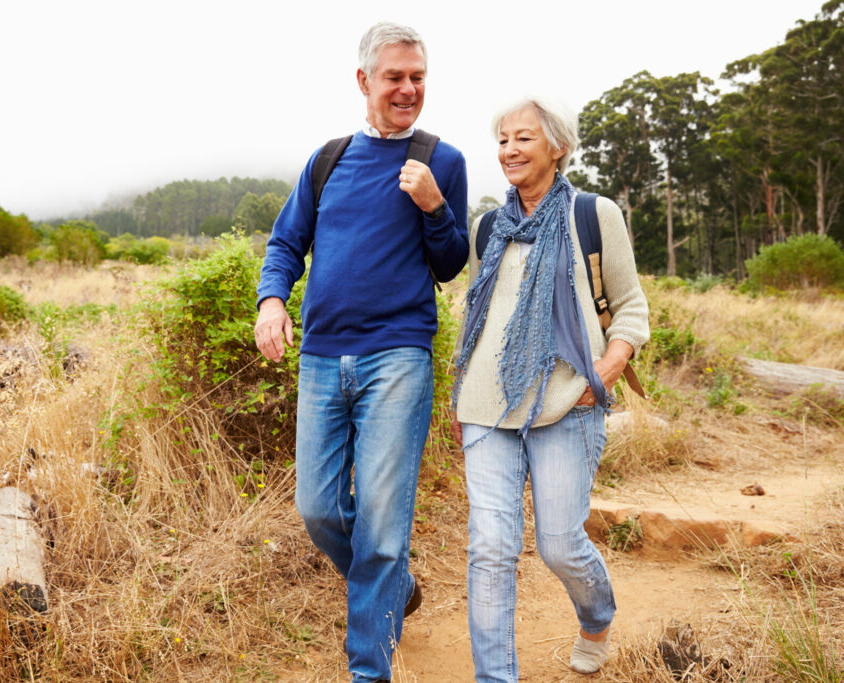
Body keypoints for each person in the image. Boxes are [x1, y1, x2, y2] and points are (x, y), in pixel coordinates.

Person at [254, 21, 468, 683]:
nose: (408, 89)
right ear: (364, 81)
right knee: (317, 507)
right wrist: (271, 301)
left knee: (380, 520)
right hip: (321, 356)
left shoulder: (443, 159)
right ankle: (393, 587)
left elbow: (450, 262)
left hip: (397, 356)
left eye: (418, 78)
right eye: (395, 77)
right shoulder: (328, 159)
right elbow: (287, 243)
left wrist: (435, 207)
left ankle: (368, 669)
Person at [451, 97, 649, 682]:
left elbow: (632, 308)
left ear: (557, 147)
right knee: (490, 549)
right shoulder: (488, 225)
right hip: (487, 405)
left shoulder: (593, 214)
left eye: (523, 139)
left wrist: (605, 372)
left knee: (559, 545)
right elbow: (476, 314)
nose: (509, 150)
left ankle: (596, 618)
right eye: (503, 140)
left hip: (567, 401)